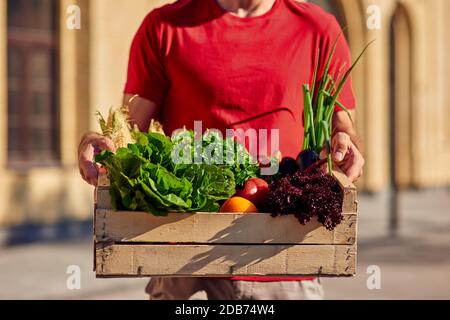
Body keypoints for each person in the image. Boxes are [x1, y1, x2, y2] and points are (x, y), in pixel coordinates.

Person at [78, 0, 365, 300]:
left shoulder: (318, 29)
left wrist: (349, 149)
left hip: (283, 258)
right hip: (185, 264)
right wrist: (94, 141)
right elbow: (128, 131)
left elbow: (344, 130)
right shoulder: (164, 27)